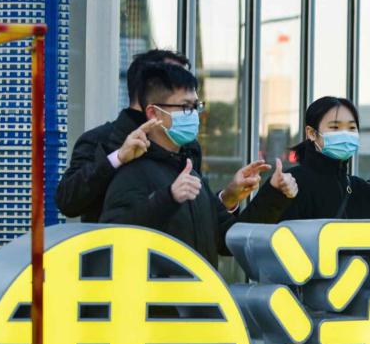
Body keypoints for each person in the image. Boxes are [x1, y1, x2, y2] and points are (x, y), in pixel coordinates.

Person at [100, 62, 298, 265]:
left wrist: (274, 193)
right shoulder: (133, 172)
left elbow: (229, 238)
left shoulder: (190, 173)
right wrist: (168, 197)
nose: (195, 115)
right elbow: (114, 238)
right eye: (186, 107)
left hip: (202, 286)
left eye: (196, 106)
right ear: (154, 113)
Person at [56, 49, 268, 222]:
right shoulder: (101, 140)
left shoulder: (185, 146)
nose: (186, 87)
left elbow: (196, 219)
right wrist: (117, 158)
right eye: (173, 78)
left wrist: (228, 197)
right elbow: (68, 201)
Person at [249, 95, 370, 221]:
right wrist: (275, 193)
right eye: (335, 127)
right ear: (312, 133)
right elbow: (253, 230)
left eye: (352, 128)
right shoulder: (291, 183)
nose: (345, 134)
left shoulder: (359, 188)